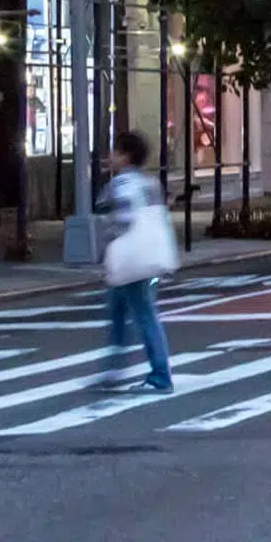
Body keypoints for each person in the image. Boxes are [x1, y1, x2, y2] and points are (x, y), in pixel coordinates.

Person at [97, 130, 175, 394]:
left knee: (143, 314)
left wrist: (105, 247)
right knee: (120, 308)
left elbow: (121, 219)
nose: (111, 156)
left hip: (131, 260)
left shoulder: (120, 185)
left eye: (115, 152)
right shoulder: (151, 183)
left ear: (126, 156)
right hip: (151, 257)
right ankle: (113, 369)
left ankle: (160, 376)